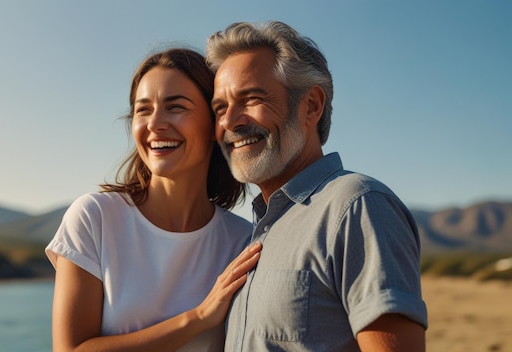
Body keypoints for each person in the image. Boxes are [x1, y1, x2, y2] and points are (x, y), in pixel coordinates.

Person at [206, 21, 428, 351]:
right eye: (220, 107)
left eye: (251, 98)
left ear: (311, 105)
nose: (229, 121)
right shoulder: (256, 230)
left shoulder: (358, 207)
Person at [45, 47, 261, 352]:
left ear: (215, 123)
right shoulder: (95, 218)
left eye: (176, 107)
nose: (155, 124)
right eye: (143, 109)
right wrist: (197, 318)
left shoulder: (243, 243)